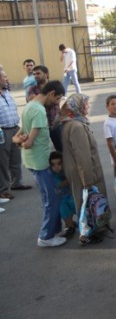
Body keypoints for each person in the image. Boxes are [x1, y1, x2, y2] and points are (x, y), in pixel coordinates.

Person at [13, 81, 66, 247]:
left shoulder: (29, 106)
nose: (57, 103)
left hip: (32, 161)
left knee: (47, 198)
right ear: (51, 93)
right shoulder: (39, 110)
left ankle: (53, 230)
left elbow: (17, 136)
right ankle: (46, 236)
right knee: (52, 199)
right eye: (57, 99)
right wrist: (24, 141)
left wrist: (21, 140)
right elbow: (28, 143)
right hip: (39, 162)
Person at [60, 94, 108, 244]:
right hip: (85, 173)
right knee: (88, 203)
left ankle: (92, 230)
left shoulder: (75, 123)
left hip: (81, 172)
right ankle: (89, 233)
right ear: (78, 107)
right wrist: (88, 180)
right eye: (85, 104)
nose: (87, 106)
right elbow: (82, 156)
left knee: (86, 202)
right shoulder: (77, 126)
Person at [0, 65, 32, 200]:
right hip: (2, 131)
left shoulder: (6, 92)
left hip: (14, 129)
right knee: (2, 162)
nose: (7, 79)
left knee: (16, 158)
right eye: (4, 77)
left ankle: (16, 182)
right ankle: (3, 189)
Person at [49, 151, 77, 238]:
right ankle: (69, 226)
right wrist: (69, 179)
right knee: (63, 207)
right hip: (61, 198)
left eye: (59, 164)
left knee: (73, 203)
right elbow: (59, 185)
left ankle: (73, 224)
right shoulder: (50, 174)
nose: (56, 167)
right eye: (53, 165)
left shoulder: (67, 170)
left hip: (71, 195)